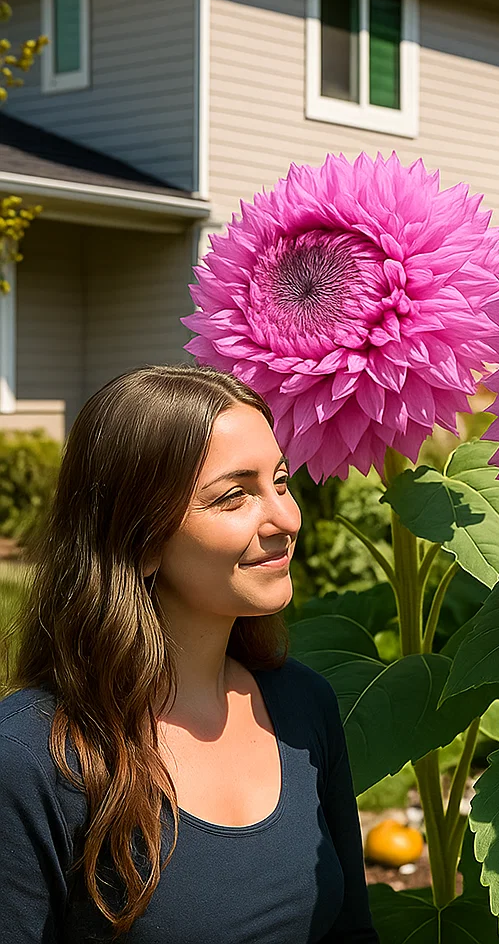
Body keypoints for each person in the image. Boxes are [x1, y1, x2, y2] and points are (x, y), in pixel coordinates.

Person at [0, 364, 380, 943]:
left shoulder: (304, 707)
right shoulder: (32, 757)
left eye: (280, 481)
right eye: (234, 497)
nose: (286, 518)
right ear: (142, 539)